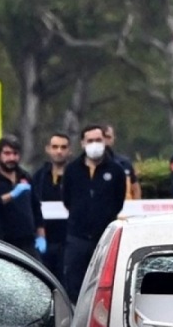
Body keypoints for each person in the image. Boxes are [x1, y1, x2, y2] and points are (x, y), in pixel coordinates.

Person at [62, 125, 127, 302]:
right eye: (90, 141)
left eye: (98, 140)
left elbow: (118, 201)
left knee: (106, 282)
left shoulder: (116, 170)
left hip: (105, 236)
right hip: (77, 237)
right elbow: (67, 200)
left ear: (105, 141)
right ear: (83, 143)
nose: (95, 144)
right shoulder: (72, 170)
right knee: (75, 282)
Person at [0, 136, 46, 259]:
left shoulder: (25, 177)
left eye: (15, 154)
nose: (11, 158)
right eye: (7, 153)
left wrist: (41, 236)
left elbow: (36, 209)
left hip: (28, 242)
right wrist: (11, 195)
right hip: (3, 242)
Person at [32, 132, 72, 282]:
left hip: (69, 238)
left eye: (63, 147)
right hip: (46, 237)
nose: (59, 151)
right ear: (48, 149)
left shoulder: (75, 174)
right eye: (55, 147)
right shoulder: (39, 176)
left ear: (69, 150)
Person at [104, 124, 142, 200]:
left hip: (126, 210)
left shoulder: (124, 162)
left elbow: (136, 189)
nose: (106, 141)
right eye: (103, 137)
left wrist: (136, 208)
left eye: (109, 137)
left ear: (114, 138)